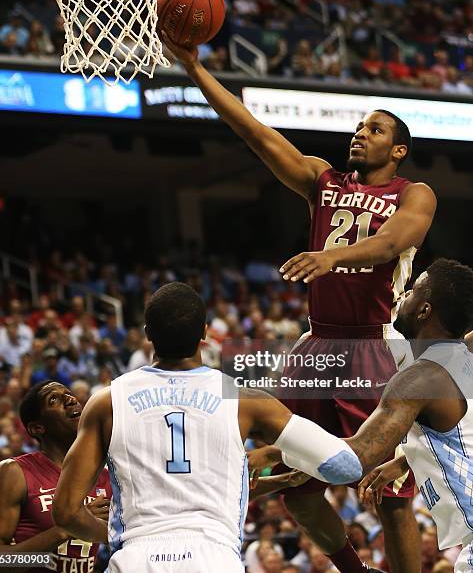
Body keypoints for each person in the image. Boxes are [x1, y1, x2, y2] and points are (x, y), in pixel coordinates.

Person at [161, 31, 437, 573]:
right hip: (317, 343)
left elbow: (392, 241)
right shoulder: (321, 179)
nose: (361, 135)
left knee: (391, 490)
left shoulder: (413, 193)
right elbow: (259, 137)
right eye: (358, 128)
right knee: (298, 487)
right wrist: (195, 70)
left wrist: (332, 257)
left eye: (375, 129)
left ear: (398, 149)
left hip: (371, 346)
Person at [52, 283, 371, 573]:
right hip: (214, 558)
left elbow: (65, 513)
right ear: (205, 332)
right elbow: (343, 466)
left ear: (147, 333)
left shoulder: (106, 402)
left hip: (136, 557)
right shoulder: (246, 401)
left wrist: (115, 534)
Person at [251, 259, 473, 573]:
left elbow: (351, 460)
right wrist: (405, 458)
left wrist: (276, 446)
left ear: (425, 311)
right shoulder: (463, 356)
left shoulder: (420, 378)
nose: (401, 297)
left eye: (411, 293)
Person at [0, 380, 112, 573]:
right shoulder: (14, 472)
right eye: (54, 399)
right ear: (37, 428)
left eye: (69, 394)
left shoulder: (104, 476)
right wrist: (67, 528)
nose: (70, 400)